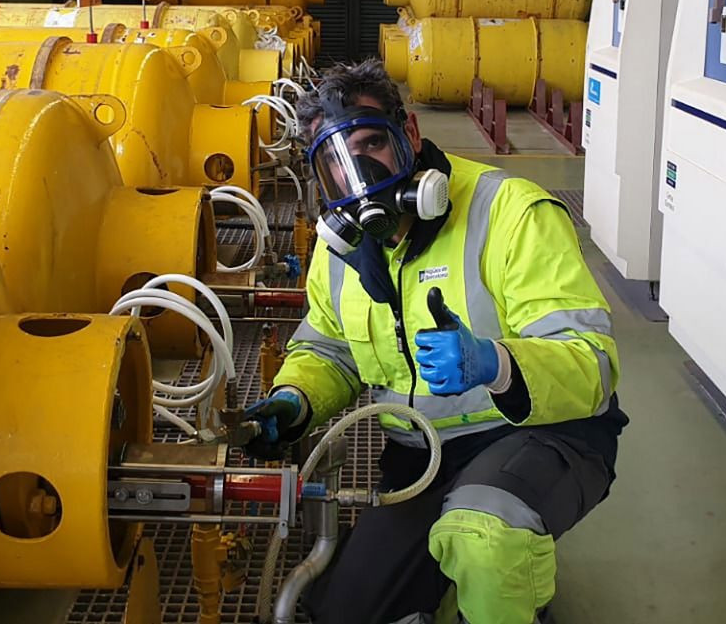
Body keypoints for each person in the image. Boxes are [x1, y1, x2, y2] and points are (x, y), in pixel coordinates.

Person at [243, 60, 628, 624]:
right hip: (421, 454)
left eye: (373, 143)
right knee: (346, 613)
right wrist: (296, 399)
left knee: (484, 535)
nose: (360, 174)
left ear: (412, 136)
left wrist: (495, 364)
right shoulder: (340, 250)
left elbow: (590, 362)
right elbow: (329, 350)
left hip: (540, 433)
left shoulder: (510, 211)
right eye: (335, 161)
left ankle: (509, 588)